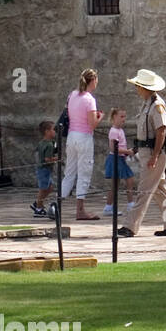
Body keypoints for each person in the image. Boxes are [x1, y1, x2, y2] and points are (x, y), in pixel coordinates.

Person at [117, 68, 166, 238]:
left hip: (155, 153)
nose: (137, 89)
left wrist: (154, 156)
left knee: (144, 190)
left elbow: (161, 131)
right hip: (148, 151)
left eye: (138, 86)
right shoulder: (148, 103)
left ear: (143, 87)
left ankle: (130, 226)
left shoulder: (157, 104)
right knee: (160, 190)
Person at [60, 67, 103, 220]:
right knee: (84, 172)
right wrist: (100, 117)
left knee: (69, 172)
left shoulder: (72, 95)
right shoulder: (90, 99)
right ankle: (80, 210)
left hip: (71, 136)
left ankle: (58, 205)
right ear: (93, 81)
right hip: (84, 137)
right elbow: (92, 125)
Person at [102, 107, 135, 214]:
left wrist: (126, 153)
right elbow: (113, 148)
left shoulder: (120, 130)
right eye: (121, 116)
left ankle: (130, 204)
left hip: (121, 158)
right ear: (114, 117)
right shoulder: (113, 131)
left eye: (125, 116)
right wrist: (127, 151)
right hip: (115, 159)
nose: (123, 119)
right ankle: (108, 207)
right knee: (115, 184)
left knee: (129, 179)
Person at [33, 121, 57, 217]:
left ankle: (39, 202)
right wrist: (57, 159)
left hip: (42, 168)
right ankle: (38, 208)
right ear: (47, 131)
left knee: (49, 187)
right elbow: (47, 159)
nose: (55, 132)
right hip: (44, 169)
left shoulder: (41, 143)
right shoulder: (50, 145)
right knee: (43, 189)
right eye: (53, 130)